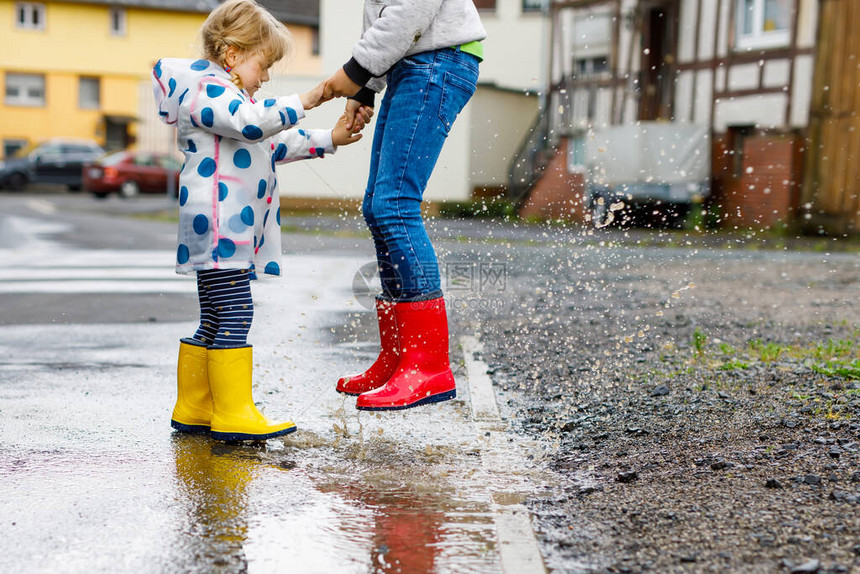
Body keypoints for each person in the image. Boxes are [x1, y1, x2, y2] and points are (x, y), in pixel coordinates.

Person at [152, 0, 360, 441]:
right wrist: (310, 98)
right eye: (263, 65)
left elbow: (269, 141)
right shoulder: (206, 90)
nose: (266, 77)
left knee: (214, 317)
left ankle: (195, 406)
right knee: (235, 312)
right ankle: (234, 412)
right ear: (232, 55)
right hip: (220, 223)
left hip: (224, 225)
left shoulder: (228, 97)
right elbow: (252, 125)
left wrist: (329, 138)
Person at [325, 1, 486, 411]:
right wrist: (363, 89)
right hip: (411, 65)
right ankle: (398, 358)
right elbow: (382, 18)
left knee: (396, 206)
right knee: (378, 206)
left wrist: (355, 72)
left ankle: (428, 366)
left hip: (437, 61)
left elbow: (411, 11)